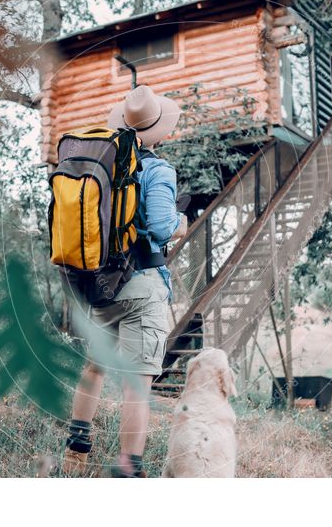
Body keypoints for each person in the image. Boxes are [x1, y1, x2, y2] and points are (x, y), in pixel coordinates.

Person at [62, 85, 188, 478]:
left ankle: (76, 454)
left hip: (105, 283)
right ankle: (128, 472)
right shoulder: (157, 168)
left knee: (94, 368)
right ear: (160, 131)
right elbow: (161, 225)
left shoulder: (108, 163)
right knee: (137, 384)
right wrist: (181, 225)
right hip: (143, 286)